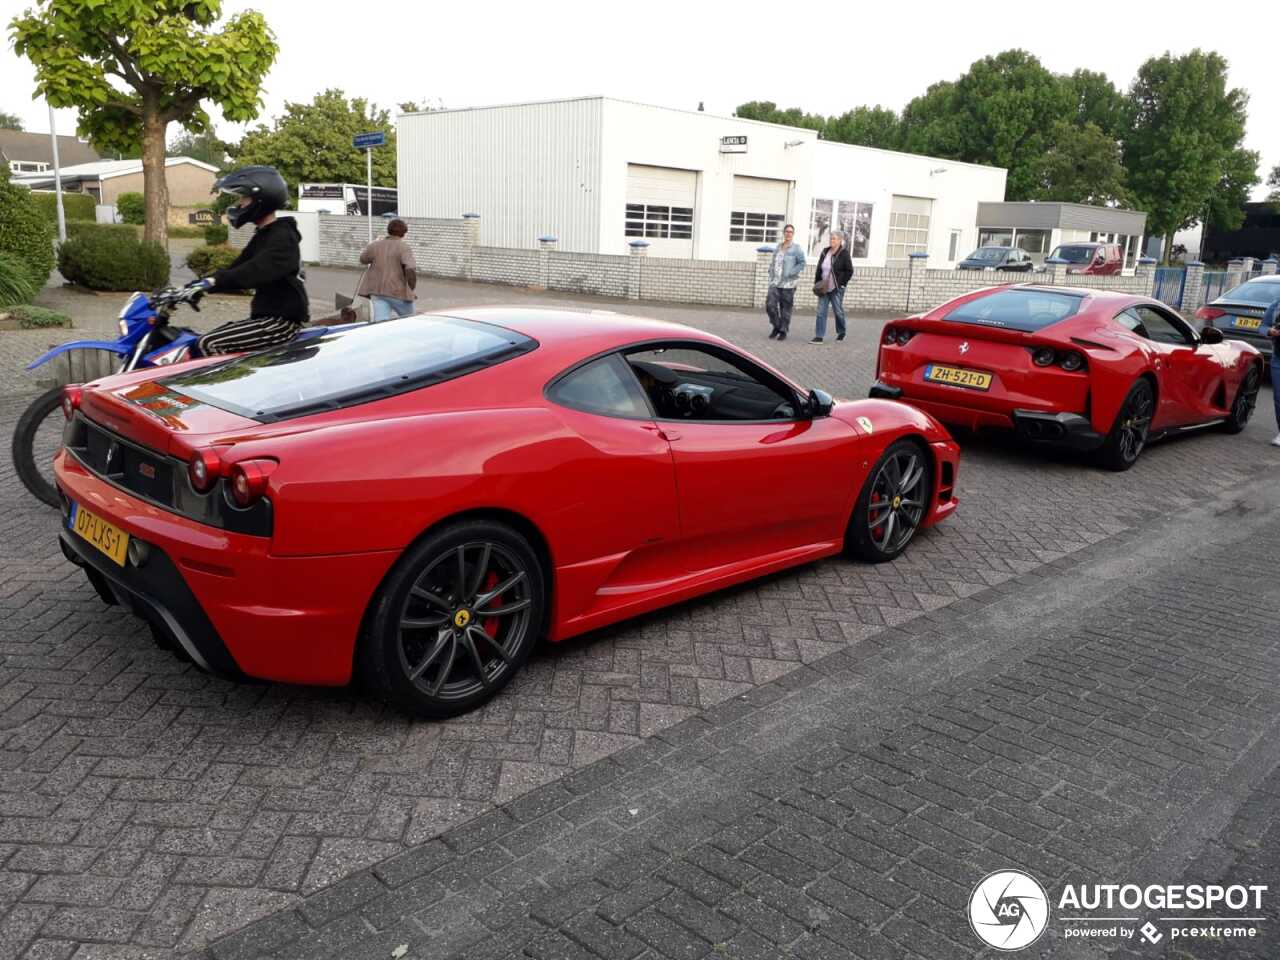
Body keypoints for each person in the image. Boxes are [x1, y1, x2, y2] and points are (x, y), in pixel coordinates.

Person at [188, 165, 308, 355]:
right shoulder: (263, 234)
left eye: (244, 198)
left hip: (280, 323)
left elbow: (255, 270)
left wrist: (213, 282)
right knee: (191, 340)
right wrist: (195, 286)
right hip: (266, 319)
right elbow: (236, 268)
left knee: (208, 343)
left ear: (261, 199)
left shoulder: (283, 237)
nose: (239, 204)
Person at [357, 218, 418, 319]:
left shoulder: (375, 245)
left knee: (380, 324)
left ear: (388, 230)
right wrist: (411, 289)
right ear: (403, 233)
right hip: (397, 292)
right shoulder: (404, 247)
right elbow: (410, 269)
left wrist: (371, 246)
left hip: (377, 291)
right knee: (410, 320)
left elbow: (363, 259)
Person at [810, 229, 853, 344]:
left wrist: (842, 284)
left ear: (840, 240)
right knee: (820, 312)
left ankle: (841, 332)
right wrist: (817, 283)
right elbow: (819, 268)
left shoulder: (844, 253)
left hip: (836, 288)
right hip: (824, 288)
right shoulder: (825, 251)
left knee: (838, 311)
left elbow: (849, 271)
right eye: (831, 238)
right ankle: (819, 336)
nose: (831, 240)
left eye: (834, 238)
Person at [766, 225, 805, 340]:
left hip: (788, 284)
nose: (788, 234)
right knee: (770, 306)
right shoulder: (778, 247)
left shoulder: (796, 248)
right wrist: (771, 271)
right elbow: (773, 262)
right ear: (784, 233)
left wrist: (792, 272)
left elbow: (802, 263)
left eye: (791, 232)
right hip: (775, 282)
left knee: (785, 308)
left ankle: (783, 331)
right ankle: (777, 326)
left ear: (793, 234)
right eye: (787, 231)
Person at [1267, 298, 1280, 447]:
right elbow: (1263, 326)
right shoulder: (1276, 306)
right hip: (1278, 359)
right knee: (1278, 397)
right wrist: (1270, 331)